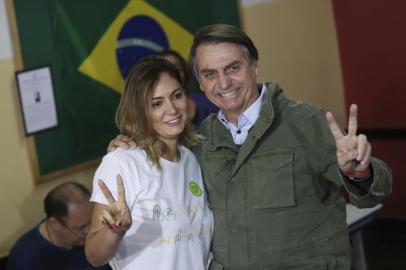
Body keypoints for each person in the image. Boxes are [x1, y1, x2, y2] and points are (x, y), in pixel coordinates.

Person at [109, 24, 392, 269]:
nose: (223, 82)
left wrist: (359, 171)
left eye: (233, 68)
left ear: (254, 66)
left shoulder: (305, 122)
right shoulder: (200, 140)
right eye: (210, 74)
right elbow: (164, 158)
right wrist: (130, 145)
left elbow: (372, 194)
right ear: (201, 82)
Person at [85, 56, 213, 270]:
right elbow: (94, 255)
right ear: (139, 111)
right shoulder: (121, 163)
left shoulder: (190, 159)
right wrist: (114, 230)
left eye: (177, 95)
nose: (172, 109)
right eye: (157, 103)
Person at [6, 182, 111, 270]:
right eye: (81, 228)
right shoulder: (25, 258)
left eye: (92, 222)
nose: (89, 232)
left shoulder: (95, 233)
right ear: (55, 224)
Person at [157, 49, 218, 125]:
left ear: (185, 71)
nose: (172, 76)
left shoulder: (209, 103)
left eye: (177, 70)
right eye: (165, 71)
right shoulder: (152, 113)